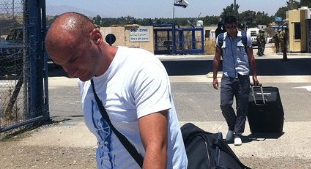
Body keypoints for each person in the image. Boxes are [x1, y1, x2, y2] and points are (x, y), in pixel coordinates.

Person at [45, 12, 187, 169]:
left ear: (96, 38)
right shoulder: (85, 78)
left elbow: (156, 147)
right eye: (62, 65)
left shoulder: (142, 68)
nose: (70, 73)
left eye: (73, 59)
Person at [212, 15, 259, 146]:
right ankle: (232, 127)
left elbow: (251, 58)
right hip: (227, 76)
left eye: (233, 27)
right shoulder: (221, 39)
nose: (231, 30)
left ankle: (238, 133)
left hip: (243, 76)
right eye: (228, 27)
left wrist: (254, 75)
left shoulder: (245, 38)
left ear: (236, 25)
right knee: (225, 104)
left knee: (242, 106)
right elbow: (216, 58)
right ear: (225, 27)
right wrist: (215, 77)